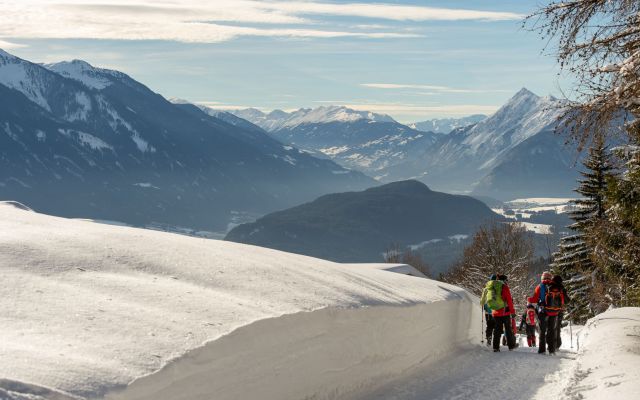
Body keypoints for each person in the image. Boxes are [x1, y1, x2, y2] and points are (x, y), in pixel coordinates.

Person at [528, 271, 565, 354]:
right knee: (551, 330)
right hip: (554, 312)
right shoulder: (555, 286)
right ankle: (551, 350)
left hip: (543, 311)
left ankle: (542, 350)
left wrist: (528, 299)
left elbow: (534, 299)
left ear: (542, 278)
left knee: (542, 330)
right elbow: (562, 300)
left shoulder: (540, 286)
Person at [481, 273, 516, 352]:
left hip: (495, 312)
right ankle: (511, 346)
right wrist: (512, 311)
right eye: (506, 280)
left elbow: (484, 300)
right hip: (504, 312)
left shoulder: (492, 286)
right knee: (508, 329)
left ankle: (496, 347)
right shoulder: (504, 287)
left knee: (497, 330)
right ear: (504, 280)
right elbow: (509, 300)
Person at [552, 275, 570, 348]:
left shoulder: (550, 287)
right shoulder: (562, 288)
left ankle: (550, 343)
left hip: (550, 310)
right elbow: (567, 300)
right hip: (559, 310)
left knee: (551, 327)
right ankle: (557, 344)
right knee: (558, 327)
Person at [481, 274, 497, 346]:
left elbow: (482, 301)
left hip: (488, 312)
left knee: (489, 325)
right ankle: (495, 340)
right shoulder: (498, 288)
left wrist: (483, 304)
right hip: (496, 311)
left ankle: (489, 337)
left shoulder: (485, 289)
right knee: (495, 326)